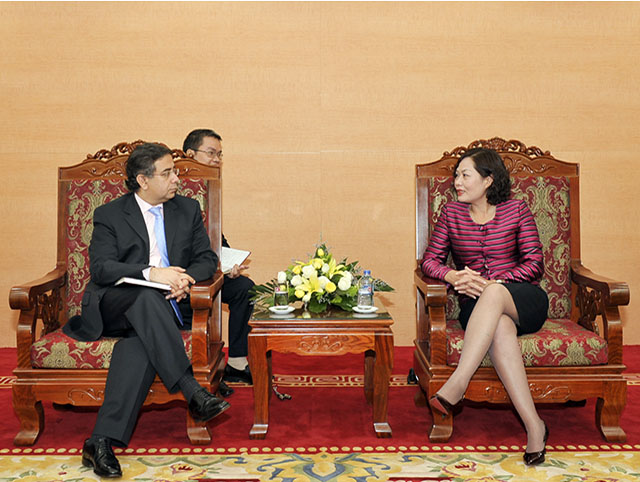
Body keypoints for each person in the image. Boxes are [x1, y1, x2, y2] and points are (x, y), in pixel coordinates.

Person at [63, 143, 230, 478]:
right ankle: (191, 390)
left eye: (175, 171)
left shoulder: (186, 209)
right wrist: (152, 274)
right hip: (115, 304)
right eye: (167, 173)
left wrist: (184, 278)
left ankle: (99, 441)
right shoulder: (110, 214)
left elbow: (207, 259)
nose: (177, 179)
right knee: (144, 296)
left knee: (137, 345)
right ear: (143, 180)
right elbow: (102, 268)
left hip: (163, 310)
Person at [420, 147, 549, 466]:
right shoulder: (451, 214)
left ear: (488, 180)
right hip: (477, 309)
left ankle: (458, 383)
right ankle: (535, 427)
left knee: (493, 293)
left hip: (522, 299)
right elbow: (430, 261)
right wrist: (452, 275)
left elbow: (535, 263)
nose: (457, 182)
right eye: (456, 176)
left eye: (465, 175)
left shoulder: (517, 209)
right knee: (500, 326)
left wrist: (495, 283)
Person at [183, 129, 254, 392]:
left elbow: (214, 237)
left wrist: (228, 264)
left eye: (220, 155)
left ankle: (236, 362)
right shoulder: (172, 189)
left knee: (245, 288)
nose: (217, 160)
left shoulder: (208, 187)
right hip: (180, 275)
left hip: (208, 270)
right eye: (211, 153)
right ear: (189, 155)